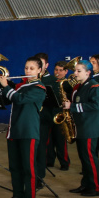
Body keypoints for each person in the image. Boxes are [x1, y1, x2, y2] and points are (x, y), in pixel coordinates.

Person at [0, 58, 45, 198]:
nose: (28, 71)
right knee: (15, 167)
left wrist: (6, 87)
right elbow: (7, 101)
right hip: (15, 131)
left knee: (28, 168)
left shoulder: (39, 87)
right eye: (26, 68)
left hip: (28, 132)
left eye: (32, 68)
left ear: (39, 71)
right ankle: (17, 195)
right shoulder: (22, 86)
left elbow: (19, 99)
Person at [64, 60, 99, 196]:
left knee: (89, 157)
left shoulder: (94, 87)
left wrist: (72, 107)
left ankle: (95, 187)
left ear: (88, 73)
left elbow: (95, 106)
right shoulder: (80, 86)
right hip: (82, 126)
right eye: (75, 70)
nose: (74, 73)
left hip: (90, 127)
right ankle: (86, 184)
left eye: (78, 71)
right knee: (83, 157)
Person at [34, 52, 54, 188]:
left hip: (43, 120)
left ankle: (39, 176)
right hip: (30, 119)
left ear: (46, 65)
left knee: (41, 149)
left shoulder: (51, 81)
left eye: (41, 64)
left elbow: (54, 103)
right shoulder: (29, 80)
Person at [46, 60, 71, 170]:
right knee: (49, 141)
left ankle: (64, 163)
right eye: (56, 70)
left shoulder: (68, 83)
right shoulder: (51, 81)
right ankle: (50, 160)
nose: (58, 72)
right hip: (50, 113)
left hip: (61, 115)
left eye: (61, 70)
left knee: (61, 141)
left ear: (66, 71)